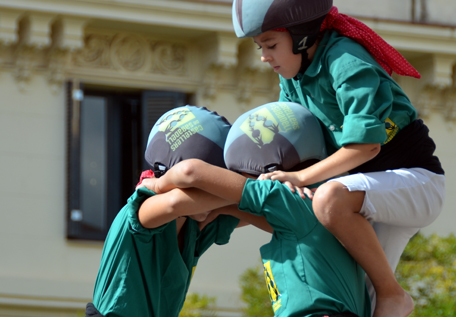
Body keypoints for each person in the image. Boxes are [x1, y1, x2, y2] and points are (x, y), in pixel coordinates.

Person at [231, 0, 446, 317]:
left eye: (270, 44)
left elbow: (367, 145)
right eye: (260, 48)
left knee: (327, 198)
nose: (265, 57)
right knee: (357, 301)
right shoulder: (293, 77)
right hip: (363, 194)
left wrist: (300, 177)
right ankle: (388, 299)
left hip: (415, 182)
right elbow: (292, 151)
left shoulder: (347, 60)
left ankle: (395, 292)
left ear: (300, 35)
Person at [140, 102, 370, 317]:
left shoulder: (290, 202)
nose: (237, 179)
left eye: (243, 172)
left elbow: (193, 171)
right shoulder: (308, 210)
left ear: (272, 171)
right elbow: (244, 211)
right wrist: (221, 208)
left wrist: (159, 184)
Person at [88, 105, 263, 317]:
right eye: (210, 184)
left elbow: (267, 213)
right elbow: (177, 197)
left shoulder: (198, 223)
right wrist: (249, 186)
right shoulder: (143, 209)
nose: (213, 197)